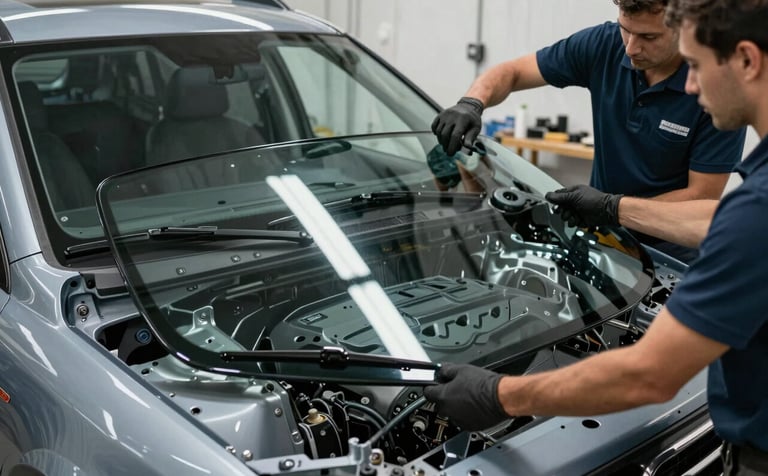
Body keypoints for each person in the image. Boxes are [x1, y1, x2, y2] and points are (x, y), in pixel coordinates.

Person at [423, 1, 768, 474]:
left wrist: (499, 394)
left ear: (747, 60)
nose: (690, 85)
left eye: (696, 65)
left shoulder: (754, 215)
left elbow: (650, 374)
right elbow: (720, 218)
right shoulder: (755, 196)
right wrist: (472, 101)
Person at [431, 0, 746, 263]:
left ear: (683, 27)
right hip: (602, 235)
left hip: (672, 251)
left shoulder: (715, 86)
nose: (632, 48)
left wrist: (613, 207)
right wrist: (473, 102)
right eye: (626, 29)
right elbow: (513, 72)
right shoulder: (604, 45)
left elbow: (701, 197)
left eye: (649, 37)